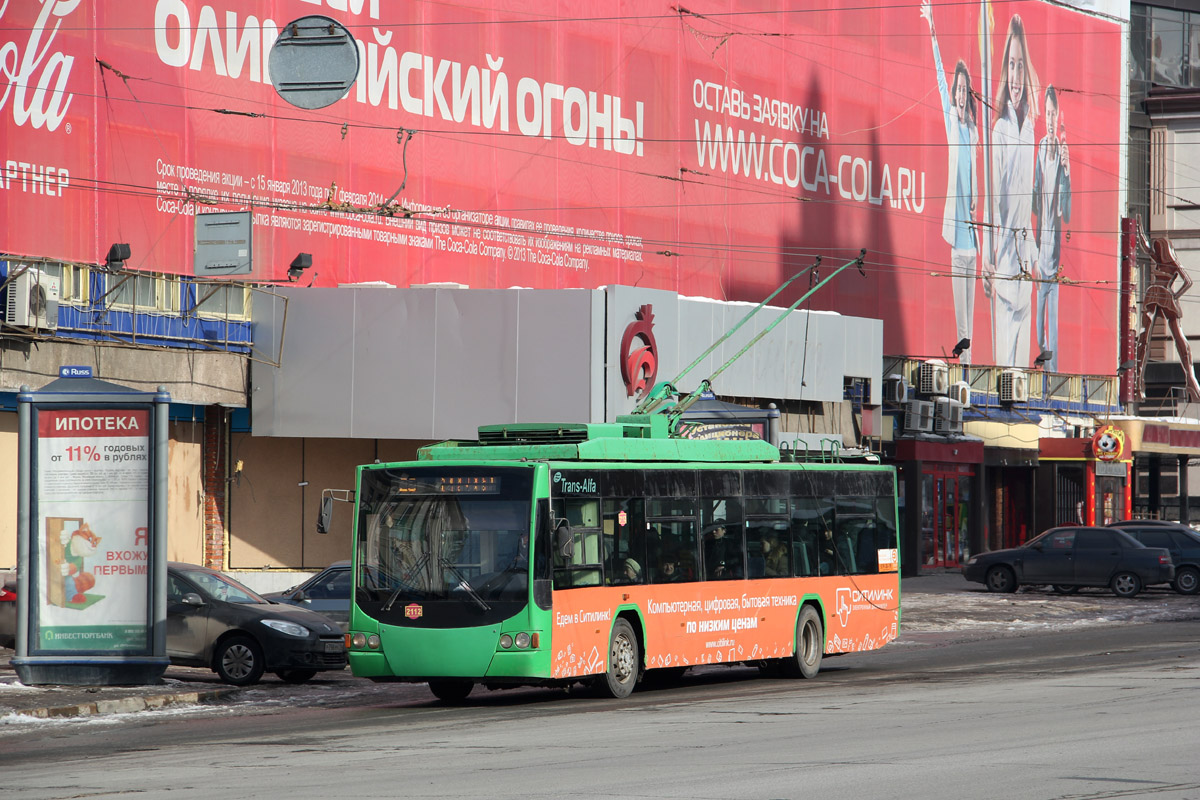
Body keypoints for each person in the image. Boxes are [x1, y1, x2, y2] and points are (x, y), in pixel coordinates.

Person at [922, 0, 979, 364]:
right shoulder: (952, 124)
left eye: (963, 91)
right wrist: (932, 29)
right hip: (957, 235)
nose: (959, 95)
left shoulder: (974, 130)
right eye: (957, 90)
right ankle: (962, 362)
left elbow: (977, 177)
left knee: (970, 318)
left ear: (969, 95)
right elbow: (940, 79)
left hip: (973, 235)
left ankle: (969, 359)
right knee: (961, 318)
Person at [985, 13, 1040, 368]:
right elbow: (992, 204)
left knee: (1023, 376)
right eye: (1011, 65)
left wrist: (1034, 256)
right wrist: (988, 259)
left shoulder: (1030, 128)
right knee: (1004, 370)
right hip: (1004, 263)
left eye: (1021, 66)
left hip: (1025, 267)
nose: (1016, 77)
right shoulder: (1000, 129)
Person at [1134, 224, 1200, 401]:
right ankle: (1191, 381)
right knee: (1176, 336)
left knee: (1144, 336)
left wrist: (1140, 229)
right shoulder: (1169, 261)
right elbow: (1188, 281)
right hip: (1164, 293)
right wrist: (1174, 295)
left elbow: (1145, 246)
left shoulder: (1161, 258)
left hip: (1155, 292)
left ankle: (1138, 381)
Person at [1032, 85, 1071, 373]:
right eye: (1045, 113)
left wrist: (1067, 176)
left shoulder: (1061, 154)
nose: (1048, 118)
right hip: (1039, 245)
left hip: (1055, 255)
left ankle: (1053, 374)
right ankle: (1043, 357)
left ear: (1057, 115)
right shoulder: (1040, 149)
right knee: (1038, 320)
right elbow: (1034, 197)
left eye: (1052, 113)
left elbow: (1066, 213)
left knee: (1053, 319)